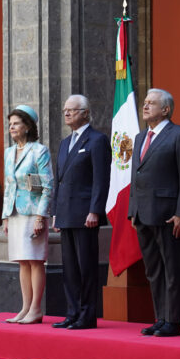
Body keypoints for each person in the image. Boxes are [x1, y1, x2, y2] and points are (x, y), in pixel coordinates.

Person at [128, 88, 180, 337]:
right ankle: (160, 317)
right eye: (145, 102)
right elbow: (136, 175)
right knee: (153, 269)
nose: (145, 106)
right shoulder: (140, 137)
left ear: (165, 109)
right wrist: (132, 210)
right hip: (143, 214)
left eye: (151, 103)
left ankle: (174, 320)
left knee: (172, 269)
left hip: (168, 214)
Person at [52, 95, 111, 330]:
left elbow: (101, 179)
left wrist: (95, 210)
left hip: (86, 214)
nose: (67, 113)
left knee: (86, 266)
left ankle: (87, 315)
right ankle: (72, 312)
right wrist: (56, 212)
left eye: (72, 110)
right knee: (70, 268)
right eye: (65, 110)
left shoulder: (97, 140)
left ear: (85, 113)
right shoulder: (65, 143)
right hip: (66, 213)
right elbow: (59, 180)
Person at [2, 105, 54, 324]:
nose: (11, 128)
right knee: (22, 261)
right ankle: (24, 308)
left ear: (27, 126)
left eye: (16, 124)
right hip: (15, 213)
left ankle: (36, 309)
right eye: (10, 124)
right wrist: (5, 216)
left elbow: (47, 185)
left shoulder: (38, 151)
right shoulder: (8, 152)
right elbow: (8, 185)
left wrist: (41, 217)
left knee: (35, 261)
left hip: (33, 214)